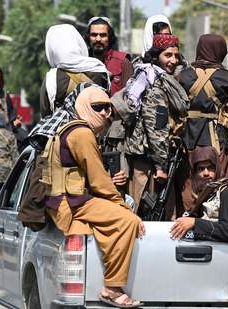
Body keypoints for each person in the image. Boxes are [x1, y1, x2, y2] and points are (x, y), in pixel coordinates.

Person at [22, 84, 145, 308]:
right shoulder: (81, 133)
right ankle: (112, 288)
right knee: (126, 220)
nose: (106, 114)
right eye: (98, 108)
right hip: (69, 203)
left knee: (110, 220)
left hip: (65, 201)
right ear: (84, 107)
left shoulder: (71, 129)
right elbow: (99, 182)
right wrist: (124, 209)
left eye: (108, 109)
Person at [122, 34, 189, 218]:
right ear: (156, 56)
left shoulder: (165, 80)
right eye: (168, 55)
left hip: (154, 159)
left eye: (176, 55)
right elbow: (156, 129)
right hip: (148, 162)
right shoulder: (155, 84)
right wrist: (161, 166)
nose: (173, 60)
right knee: (143, 216)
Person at [177, 34, 228, 178]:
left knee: (190, 186)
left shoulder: (181, 76)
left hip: (187, 141)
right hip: (217, 142)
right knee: (219, 184)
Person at [170, 146, 228, 243]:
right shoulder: (208, 193)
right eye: (201, 169)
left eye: (210, 168)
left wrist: (195, 223)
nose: (206, 173)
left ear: (217, 168)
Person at [40, 24, 110, 118]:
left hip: (65, 130)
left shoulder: (52, 78)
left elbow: (46, 114)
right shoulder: (99, 69)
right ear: (78, 43)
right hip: (96, 130)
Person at [86, 16, 133, 96]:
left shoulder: (123, 62)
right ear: (88, 37)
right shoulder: (82, 61)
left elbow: (130, 97)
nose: (98, 39)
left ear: (110, 37)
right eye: (94, 35)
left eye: (103, 35)